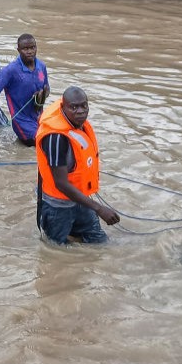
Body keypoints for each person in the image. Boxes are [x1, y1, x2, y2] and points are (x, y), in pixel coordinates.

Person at [35, 87, 120, 245]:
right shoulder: (56, 138)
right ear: (63, 108)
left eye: (84, 106)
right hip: (58, 207)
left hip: (80, 200)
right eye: (74, 107)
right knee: (55, 251)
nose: (80, 111)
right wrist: (99, 209)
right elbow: (61, 184)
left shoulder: (79, 125)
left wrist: (93, 206)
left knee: (101, 243)